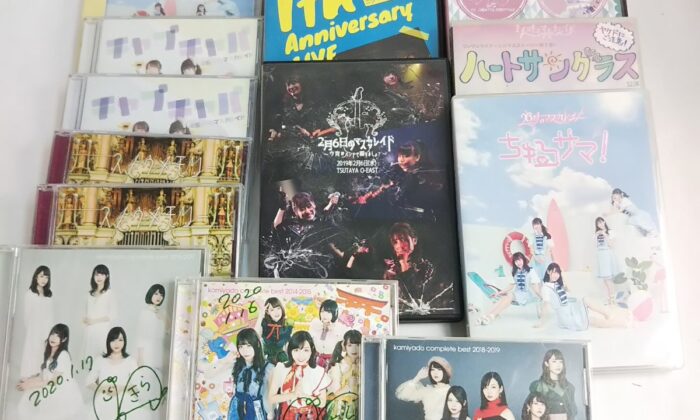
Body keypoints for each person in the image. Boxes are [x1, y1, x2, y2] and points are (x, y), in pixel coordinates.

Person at [16, 324, 85, 419]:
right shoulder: (50, 351)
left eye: (58, 336)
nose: (53, 338)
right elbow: (45, 374)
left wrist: (31, 384)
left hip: (60, 390)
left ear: (64, 339)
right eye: (52, 334)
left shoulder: (63, 355)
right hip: (50, 385)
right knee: (27, 392)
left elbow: (53, 382)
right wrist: (30, 380)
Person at [534, 263, 631, 330]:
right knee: (589, 311)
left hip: (571, 310)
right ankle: (615, 318)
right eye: (554, 272)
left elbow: (569, 294)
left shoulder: (556, 284)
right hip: (566, 317)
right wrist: (541, 323)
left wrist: (564, 280)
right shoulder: (546, 288)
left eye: (557, 273)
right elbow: (546, 306)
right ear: (548, 271)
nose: (556, 275)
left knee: (592, 317)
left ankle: (619, 320)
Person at [383, 222, 452, 315]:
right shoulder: (391, 270)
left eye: (403, 240)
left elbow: (414, 294)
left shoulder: (426, 267)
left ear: (414, 240)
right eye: (395, 242)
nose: (399, 245)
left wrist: (404, 263)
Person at [268, 331, 331, 419]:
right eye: (296, 350)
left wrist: (305, 397)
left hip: (309, 415)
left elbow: (322, 403)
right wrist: (293, 394)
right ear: (290, 350)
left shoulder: (318, 371)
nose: (301, 355)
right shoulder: (281, 368)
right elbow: (271, 398)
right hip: (288, 414)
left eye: (306, 350)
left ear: (312, 350)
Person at [86, 327, 139, 420]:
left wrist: (119, 389)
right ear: (108, 342)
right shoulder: (100, 360)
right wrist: (104, 389)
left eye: (120, 340)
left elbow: (137, 386)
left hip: (124, 402)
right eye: (113, 340)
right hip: (103, 401)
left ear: (125, 341)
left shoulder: (131, 361)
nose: (116, 343)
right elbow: (88, 382)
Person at [475, 252, 541, 326]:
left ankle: (491, 316)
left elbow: (535, 286)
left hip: (526, 295)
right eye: (516, 261)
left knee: (508, 295)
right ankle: (488, 315)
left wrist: (540, 296)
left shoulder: (531, 271)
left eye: (519, 260)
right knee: (504, 297)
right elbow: (510, 286)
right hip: (516, 294)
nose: (518, 263)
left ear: (523, 259)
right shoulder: (514, 271)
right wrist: (498, 293)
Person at [227, 328, 273, 420]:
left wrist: (270, 412)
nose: (245, 351)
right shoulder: (237, 365)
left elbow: (270, 394)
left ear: (257, 345)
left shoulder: (268, 367)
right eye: (241, 347)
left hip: (256, 408)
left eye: (248, 346)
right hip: (236, 406)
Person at [20, 266, 56, 378]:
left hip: (46, 327)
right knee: (32, 351)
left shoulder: (49, 295)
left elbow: (50, 314)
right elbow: (26, 315)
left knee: (43, 352)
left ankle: (40, 375)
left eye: (46, 277)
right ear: (36, 277)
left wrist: (49, 332)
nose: (44, 279)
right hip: (33, 328)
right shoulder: (30, 294)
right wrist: (32, 329)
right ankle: (29, 375)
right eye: (41, 276)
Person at [528, 350, 577, 420]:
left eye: (560, 362)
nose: (558, 365)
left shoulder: (569, 387)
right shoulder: (538, 386)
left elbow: (573, 410)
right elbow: (530, 409)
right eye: (554, 361)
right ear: (546, 363)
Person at [82, 264, 117, 360]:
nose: (99, 277)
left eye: (102, 275)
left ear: (107, 276)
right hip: (89, 330)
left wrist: (94, 321)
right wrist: (85, 320)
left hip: (102, 330)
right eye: (97, 275)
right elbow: (86, 312)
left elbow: (112, 315)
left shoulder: (109, 293)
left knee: (101, 356)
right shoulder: (89, 294)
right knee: (88, 358)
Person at [327, 330, 361, 418]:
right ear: (344, 346)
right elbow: (333, 394)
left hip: (361, 410)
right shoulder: (337, 366)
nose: (354, 349)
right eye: (350, 345)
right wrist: (348, 387)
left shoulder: (365, 366)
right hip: (340, 412)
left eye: (358, 345)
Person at [136, 284, 169, 371]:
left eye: (161, 295)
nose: (159, 297)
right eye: (156, 294)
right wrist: (140, 357)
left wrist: (163, 318)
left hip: (160, 349)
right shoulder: (144, 313)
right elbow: (141, 336)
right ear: (150, 294)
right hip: (147, 350)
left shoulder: (163, 312)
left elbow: (169, 331)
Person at [255, 297, 293, 365]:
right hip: (266, 359)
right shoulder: (264, 323)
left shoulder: (287, 324)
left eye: (278, 308)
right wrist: (261, 315)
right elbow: (255, 336)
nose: (276, 312)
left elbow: (290, 345)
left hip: (282, 359)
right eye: (272, 310)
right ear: (267, 312)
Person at [308, 299, 343, 369]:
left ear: (334, 313)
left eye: (328, 312)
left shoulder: (339, 328)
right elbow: (308, 341)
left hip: (333, 363)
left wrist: (334, 330)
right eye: (322, 311)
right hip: (316, 361)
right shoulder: (316, 325)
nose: (324, 315)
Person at [594, 216, 619, 304]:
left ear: (604, 221)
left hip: (607, 256)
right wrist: (597, 235)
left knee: (608, 279)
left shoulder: (611, 232)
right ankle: (609, 297)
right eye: (598, 223)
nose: (600, 224)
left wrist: (605, 234)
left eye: (601, 222)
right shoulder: (597, 233)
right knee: (605, 279)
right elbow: (596, 245)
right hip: (600, 256)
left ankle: (612, 298)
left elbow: (611, 245)